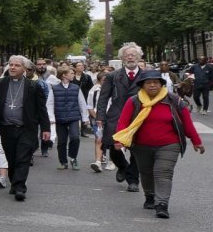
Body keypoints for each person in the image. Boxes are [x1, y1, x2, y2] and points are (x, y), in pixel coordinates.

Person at [113, 69, 205, 218]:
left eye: (156, 82)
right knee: (146, 173)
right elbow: (123, 122)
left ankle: (162, 204)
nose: (152, 85)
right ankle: (150, 196)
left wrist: (196, 141)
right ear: (142, 85)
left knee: (163, 173)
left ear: (161, 84)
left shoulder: (174, 100)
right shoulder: (134, 101)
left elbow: (187, 124)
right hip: (141, 145)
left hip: (169, 144)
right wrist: (119, 140)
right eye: (148, 83)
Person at [0, 55, 50, 201]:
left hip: (26, 128)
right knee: (11, 158)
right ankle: (15, 183)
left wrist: (46, 128)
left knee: (23, 158)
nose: (12, 67)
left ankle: (20, 187)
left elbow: (41, 109)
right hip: (6, 127)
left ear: (24, 69)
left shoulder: (33, 86)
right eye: (11, 65)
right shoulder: (0, 84)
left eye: (16, 65)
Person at [95, 42, 146, 193]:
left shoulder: (146, 75)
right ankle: (123, 167)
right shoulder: (112, 76)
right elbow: (103, 98)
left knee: (136, 150)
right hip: (116, 115)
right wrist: (100, 116)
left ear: (138, 57)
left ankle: (133, 181)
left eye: (133, 54)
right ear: (122, 58)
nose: (130, 57)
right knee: (112, 146)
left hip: (138, 116)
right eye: (127, 55)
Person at [47, 64, 88, 170]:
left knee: (75, 138)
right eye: (71, 73)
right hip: (60, 118)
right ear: (64, 75)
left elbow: (82, 103)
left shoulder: (76, 88)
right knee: (61, 141)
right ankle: (63, 162)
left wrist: (85, 118)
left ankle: (73, 157)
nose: (73, 75)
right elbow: (50, 104)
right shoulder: (54, 89)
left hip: (73, 117)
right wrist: (51, 118)